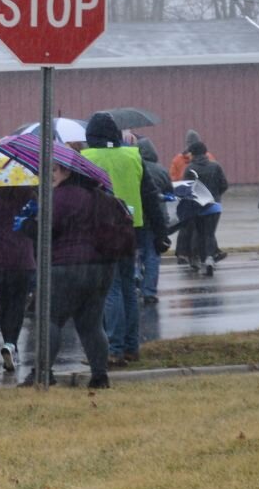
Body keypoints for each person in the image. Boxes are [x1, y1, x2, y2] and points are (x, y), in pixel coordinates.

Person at [19, 163, 127, 389]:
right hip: (101, 267)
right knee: (91, 324)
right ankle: (100, 375)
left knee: (50, 319)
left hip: (66, 266)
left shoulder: (59, 197)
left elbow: (45, 231)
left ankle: (43, 373)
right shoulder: (100, 197)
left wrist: (27, 224)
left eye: (54, 170)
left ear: (68, 172)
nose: (49, 175)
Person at [82, 113, 158, 366]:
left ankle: (112, 348)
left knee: (109, 290)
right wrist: (160, 230)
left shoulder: (86, 159)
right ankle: (130, 346)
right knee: (128, 287)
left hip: (101, 228)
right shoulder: (133, 155)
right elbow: (149, 195)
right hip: (131, 228)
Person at [0, 186, 35, 373]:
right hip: (21, 256)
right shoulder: (27, 192)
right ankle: (11, 344)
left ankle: (9, 344)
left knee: (5, 303)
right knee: (17, 304)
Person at [134, 139, 173, 303]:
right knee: (152, 255)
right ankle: (149, 291)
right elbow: (170, 192)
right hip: (156, 218)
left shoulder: (135, 167)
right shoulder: (161, 170)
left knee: (136, 252)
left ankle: (135, 275)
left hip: (137, 217)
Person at [184, 140, 229, 274]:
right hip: (214, 205)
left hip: (197, 206)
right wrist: (216, 195)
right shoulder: (215, 167)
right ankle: (210, 258)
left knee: (198, 233)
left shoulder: (190, 168)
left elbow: (185, 188)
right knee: (210, 233)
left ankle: (197, 258)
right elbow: (224, 185)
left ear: (194, 154)